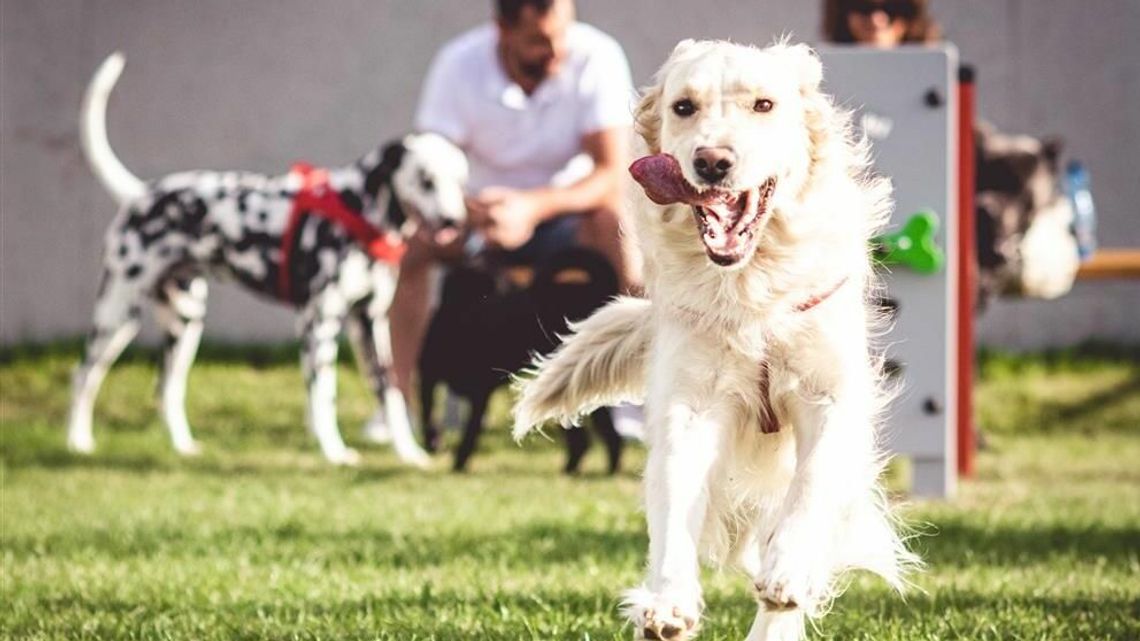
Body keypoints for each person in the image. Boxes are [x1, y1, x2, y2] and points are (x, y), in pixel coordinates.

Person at [388, 0, 641, 403]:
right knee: (414, 244)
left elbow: (613, 174)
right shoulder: (458, 64)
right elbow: (429, 168)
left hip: (565, 217)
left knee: (618, 225)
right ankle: (396, 400)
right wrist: (476, 212)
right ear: (503, 30)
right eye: (540, 40)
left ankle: (634, 394)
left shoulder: (598, 56)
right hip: (477, 218)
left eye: (563, 34)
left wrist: (531, 208)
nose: (558, 50)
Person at [822, 0, 940, 48]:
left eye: (892, 8)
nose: (876, 20)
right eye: (863, 6)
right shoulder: (820, 84)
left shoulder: (952, 84)